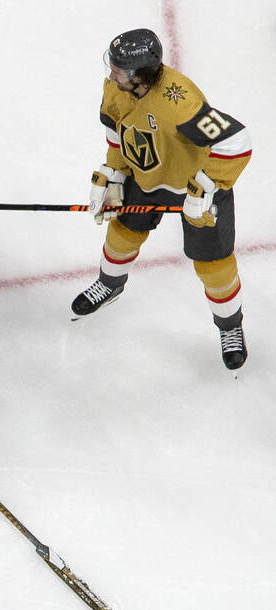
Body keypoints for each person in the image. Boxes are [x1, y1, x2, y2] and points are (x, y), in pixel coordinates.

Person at [76, 28, 253, 369]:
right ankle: (108, 285)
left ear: (139, 75)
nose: (110, 74)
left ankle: (230, 327)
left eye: (118, 70)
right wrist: (114, 172)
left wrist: (206, 186)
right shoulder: (115, 89)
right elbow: (116, 133)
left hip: (195, 186)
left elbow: (237, 141)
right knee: (122, 234)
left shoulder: (179, 101)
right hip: (146, 176)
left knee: (214, 266)